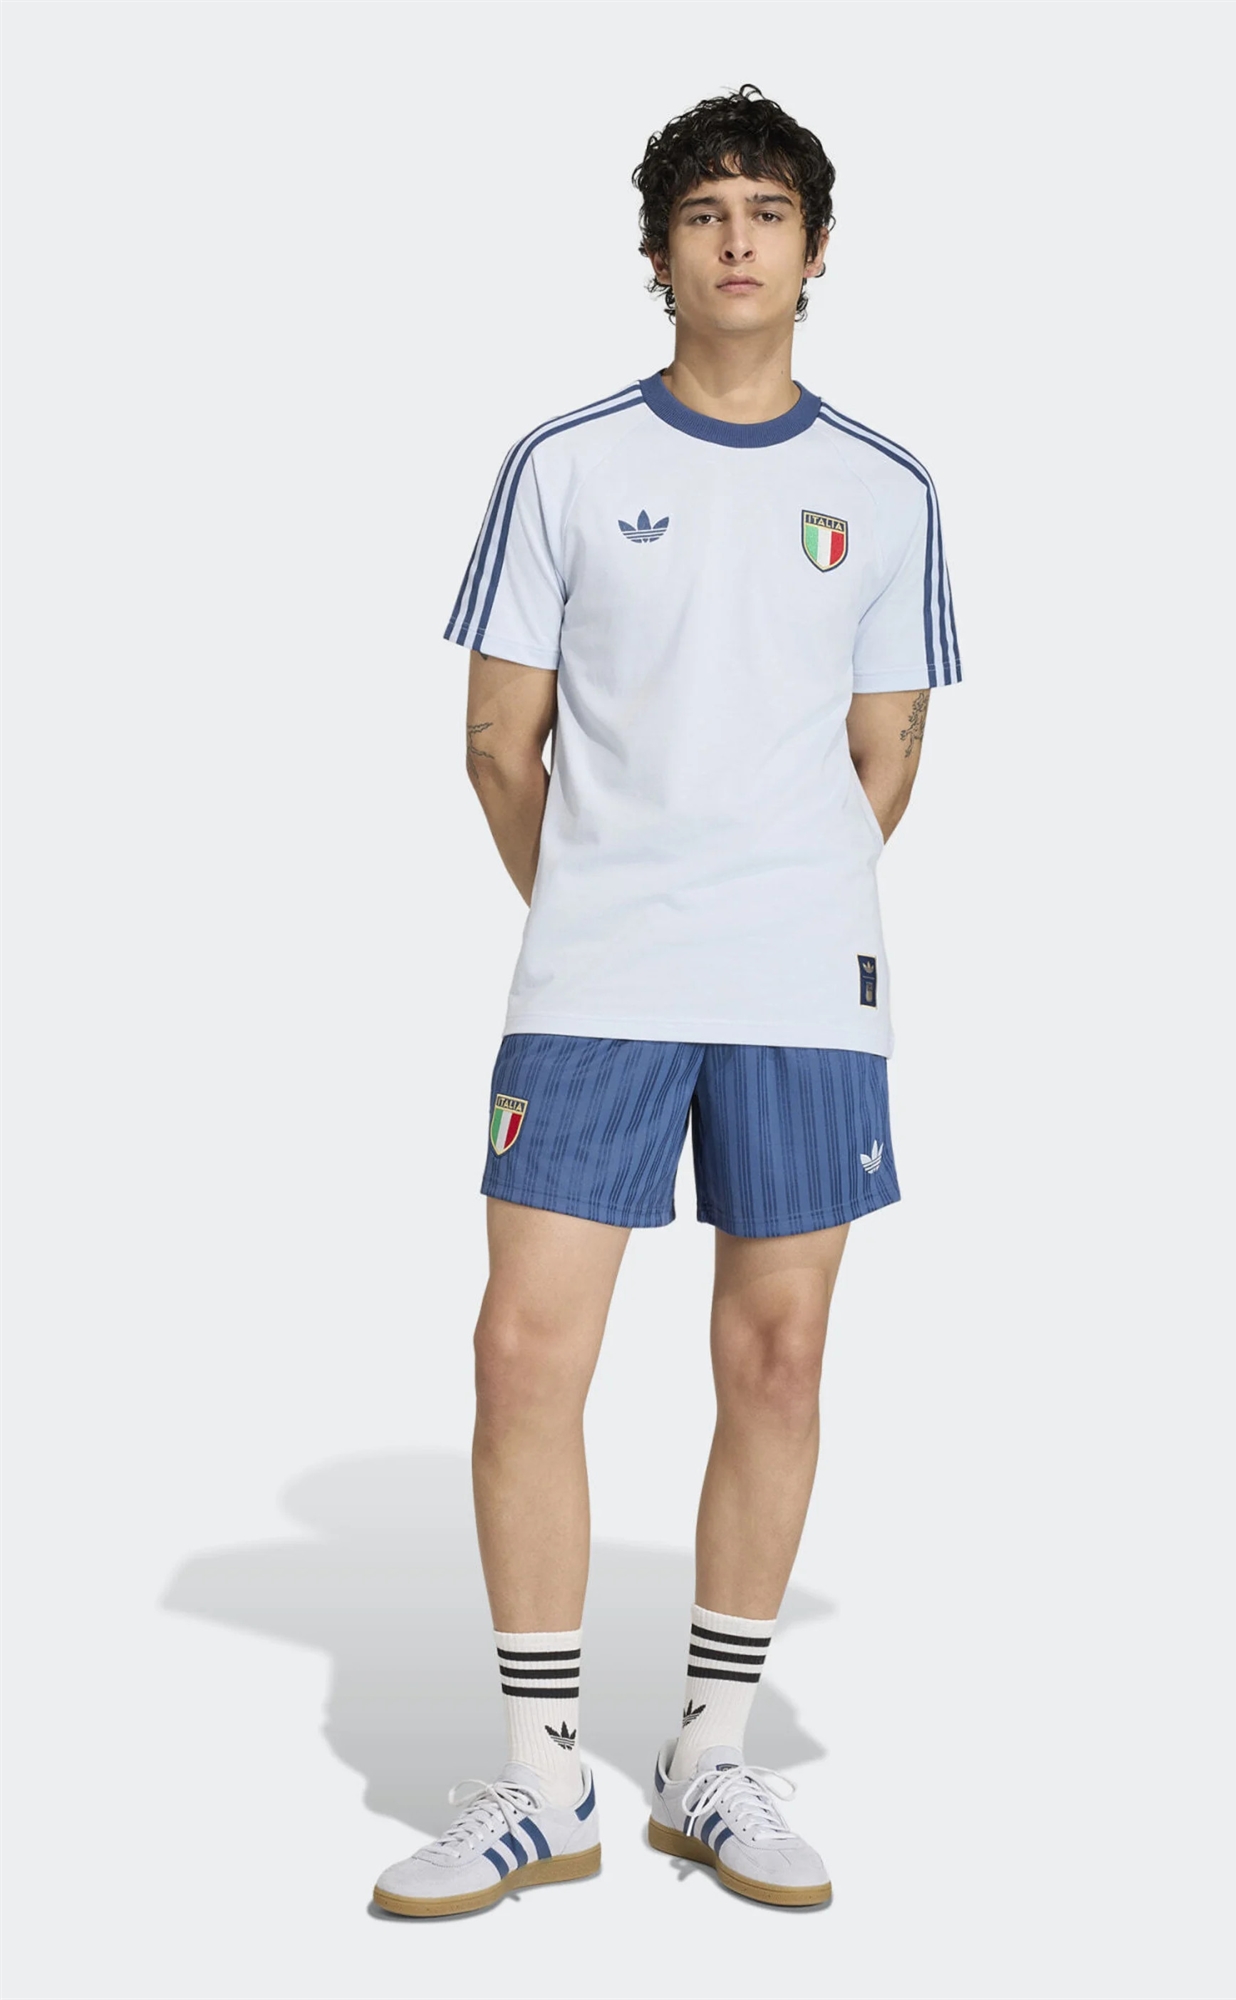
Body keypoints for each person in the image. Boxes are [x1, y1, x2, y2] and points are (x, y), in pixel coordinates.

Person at [373, 81, 963, 1919]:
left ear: (814, 249)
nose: (734, 239)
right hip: (595, 980)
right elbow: (498, 742)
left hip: (802, 992)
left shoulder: (885, 490)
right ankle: (542, 1774)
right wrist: (611, 907)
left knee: (775, 1356)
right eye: (703, 211)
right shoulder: (560, 465)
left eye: (766, 211)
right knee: (523, 1350)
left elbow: (886, 750)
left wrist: (764, 904)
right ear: (656, 254)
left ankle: (710, 1750)